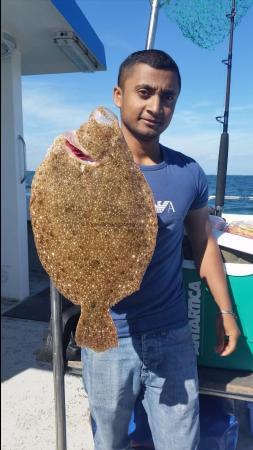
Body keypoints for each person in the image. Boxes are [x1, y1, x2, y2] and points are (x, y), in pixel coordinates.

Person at [81, 49, 240, 450]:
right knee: (110, 441)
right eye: (145, 92)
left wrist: (225, 311)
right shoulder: (85, 168)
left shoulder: (189, 173)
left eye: (167, 97)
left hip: (171, 333)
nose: (156, 106)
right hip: (106, 335)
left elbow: (204, 245)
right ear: (119, 94)